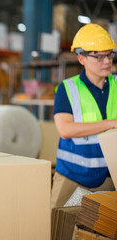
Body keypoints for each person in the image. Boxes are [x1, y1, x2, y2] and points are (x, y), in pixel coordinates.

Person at [51, 23, 117, 209]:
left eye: (109, 55)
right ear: (81, 58)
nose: (106, 62)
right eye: (99, 57)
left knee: (100, 232)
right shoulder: (68, 88)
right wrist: (109, 123)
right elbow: (65, 129)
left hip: (108, 176)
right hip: (71, 177)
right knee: (59, 228)